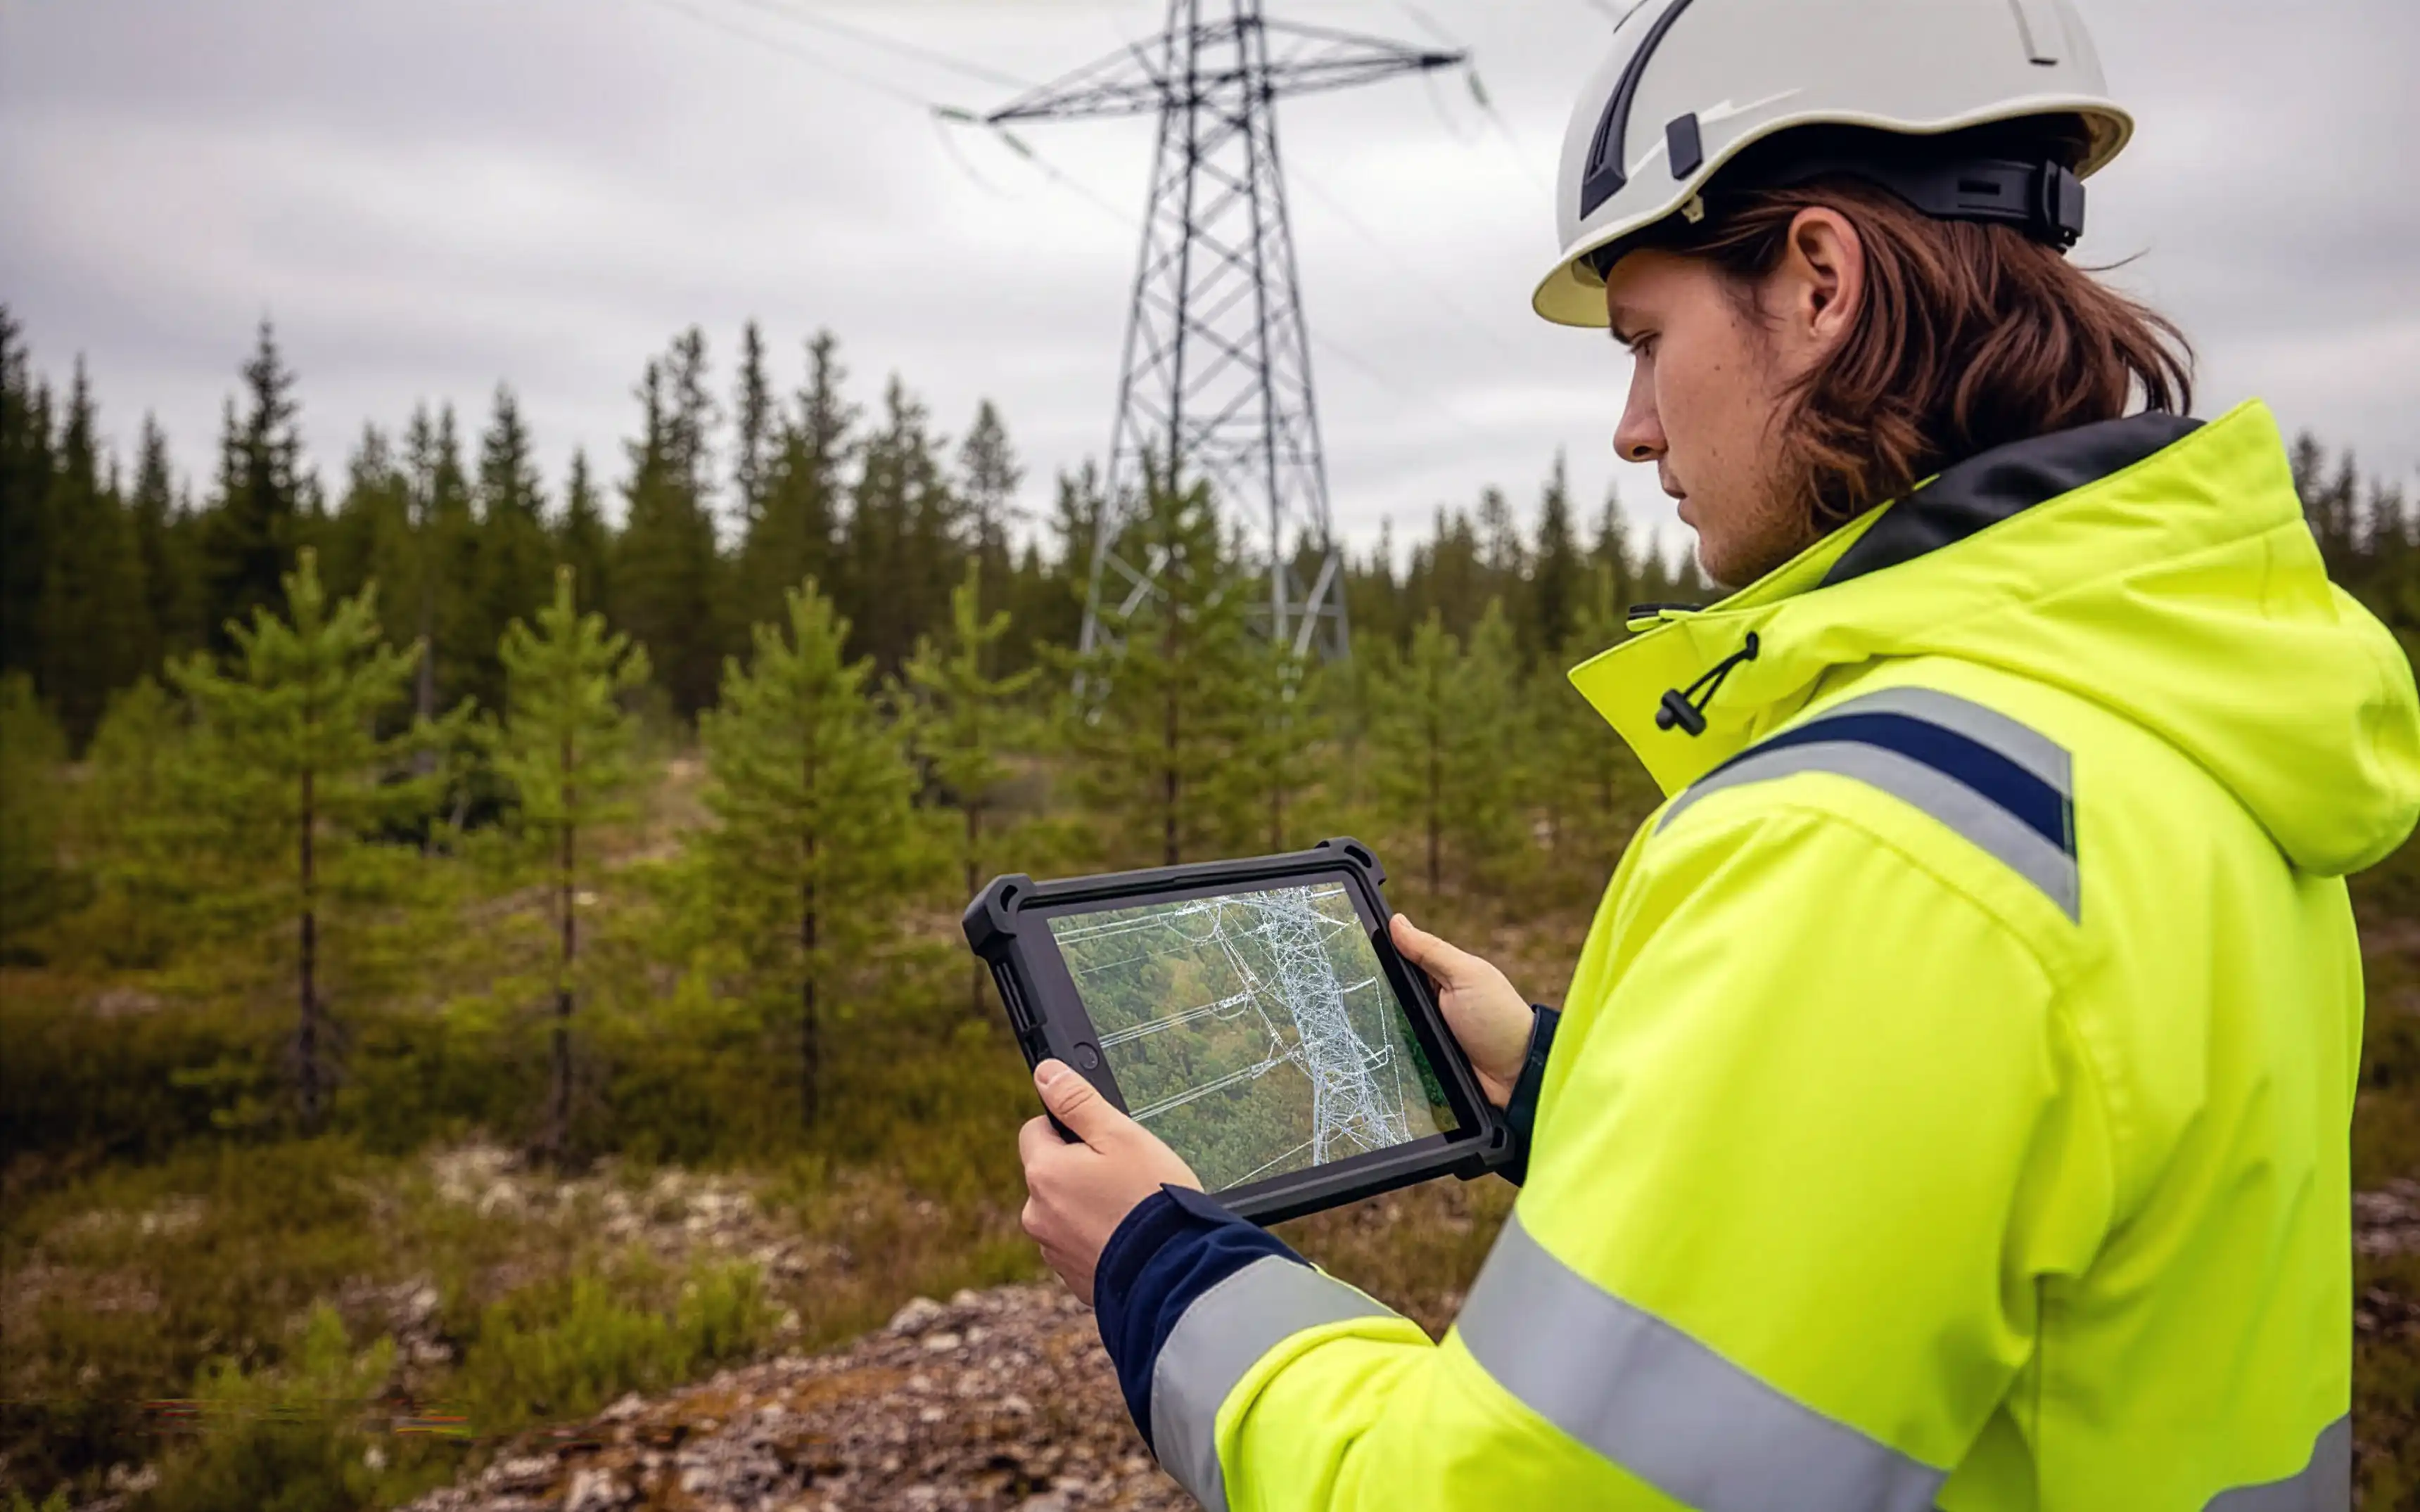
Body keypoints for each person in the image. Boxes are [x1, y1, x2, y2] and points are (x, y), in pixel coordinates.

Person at [1016, 0, 2420, 1505]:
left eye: (1645, 341)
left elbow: (1507, 1493)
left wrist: (1167, 1274)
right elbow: (1971, 1189)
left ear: (1817, 281)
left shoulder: (1875, 841)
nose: (1629, 429)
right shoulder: (2161, 735)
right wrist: (1561, 1082)